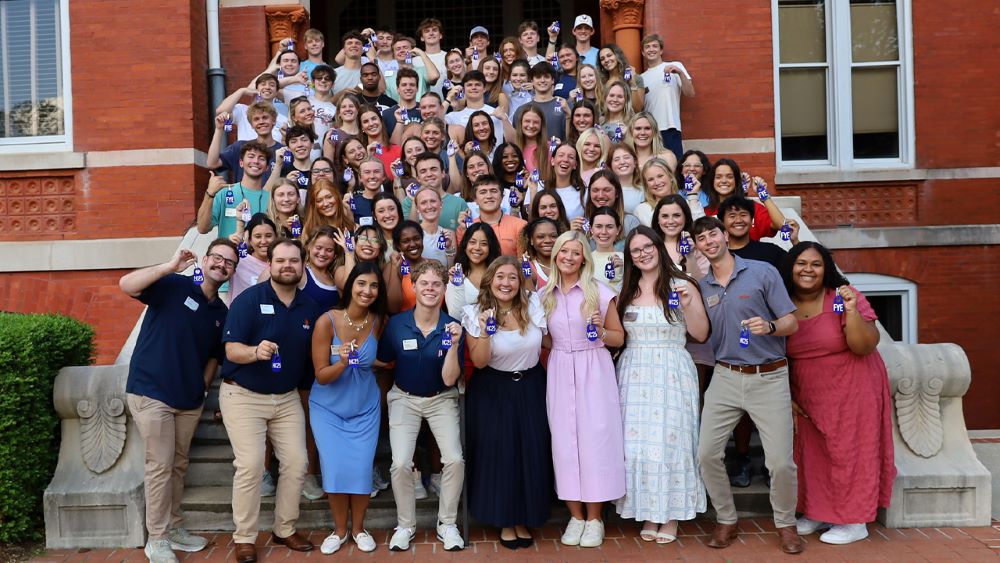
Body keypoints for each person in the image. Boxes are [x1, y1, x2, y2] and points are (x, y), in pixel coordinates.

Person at [691, 216, 803, 555]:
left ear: (725, 235)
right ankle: (727, 519)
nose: (708, 241)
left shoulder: (762, 272)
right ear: (696, 246)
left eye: (713, 233)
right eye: (701, 238)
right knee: (707, 454)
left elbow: (791, 322)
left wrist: (769, 327)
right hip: (725, 376)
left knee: (781, 462)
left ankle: (786, 524)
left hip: (768, 376)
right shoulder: (703, 284)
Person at [120, 242, 237, 563]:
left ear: (232, 272)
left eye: (230, 262)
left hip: (188, 399)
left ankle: (172, 528)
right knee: (159, 465)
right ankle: (156, 539)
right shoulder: (174, 285)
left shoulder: (221, 313)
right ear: (207, 258)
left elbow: (215, 355)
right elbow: (126, 285)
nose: (222, 264)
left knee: (178, 464)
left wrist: (202, 386)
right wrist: (169, 266)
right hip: (151, 391)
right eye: (217, 257)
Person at [780, 242, 895, 545]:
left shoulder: (842, 297)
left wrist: (854, 311)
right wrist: (788, 394)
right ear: (790, 267)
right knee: (812, 453)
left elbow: (865, 345)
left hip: (852, 384)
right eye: (801, 263)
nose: (808, 270)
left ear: (826, 269)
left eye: (816, 264)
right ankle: (819, 511)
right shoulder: (782, 302)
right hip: (808, 390)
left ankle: (853, 520)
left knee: (849, 452)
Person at [220, 239, 322, 562]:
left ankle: (284, 528)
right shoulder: (249, 301)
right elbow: (230, 350)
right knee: (250, 465)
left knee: (296, 462)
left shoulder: (309, 307)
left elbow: (313, 353)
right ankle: (245, 537)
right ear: (270, 264)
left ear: (303, 266)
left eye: (294, 260)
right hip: (243, 394)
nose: (287, 266)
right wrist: (255, 352)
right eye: (280, 260)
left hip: (287, 397)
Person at [614, 226, 709, 543]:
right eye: (635, 250)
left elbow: (700, 333)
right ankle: (646, 509)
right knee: (637, 446)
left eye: (647, 247)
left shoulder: (682, 285)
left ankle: (669, 515)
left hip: (671, 370)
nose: (643, 254)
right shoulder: (627, 289)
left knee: (671, 442)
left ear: (658, 246)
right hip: (634, 371)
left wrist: (688, 305)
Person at [540, 231, 626, 548]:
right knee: (564, 441)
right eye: (564, 251)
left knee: (595, 441)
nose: (569, 257)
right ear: (556, 254)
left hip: (594, 368)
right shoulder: (543, 296)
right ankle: (575, 515)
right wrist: (562, 349)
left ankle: (594, 518)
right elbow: (543, 337)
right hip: (561, 368)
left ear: (584, 259)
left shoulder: (599, 293)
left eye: (576, 253)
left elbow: (619, 337)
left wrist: (601, 330)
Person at [463, 256, 552, 549]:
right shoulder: (475, 311)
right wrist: (487, 330)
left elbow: (548, 341)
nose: (506, 283)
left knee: (531, 451)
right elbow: (479, 360)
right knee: (500, 454)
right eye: (500, 277)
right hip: (492, 389)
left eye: (512, 277)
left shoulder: (532, 304)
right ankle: (504, 519)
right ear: (490, 280)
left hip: (530, 385)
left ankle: (524, 517)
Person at [377, 261, 466, 551]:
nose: (430, 289)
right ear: (413, 286)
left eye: (436, 284)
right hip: (404, 397)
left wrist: (453, 344)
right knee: (401, 462)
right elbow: (384, 359)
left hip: (441, 397)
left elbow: (451, 378)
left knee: (453, 458)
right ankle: (405, 525)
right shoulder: (397, 324)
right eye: (424, 284)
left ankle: (447, 523)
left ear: (444, 288)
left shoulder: (452, 326)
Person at [310, 262, 388, 554]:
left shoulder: (378, 321)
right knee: (334, 469)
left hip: (365, 407)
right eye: (361, 284)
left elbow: (374, 360)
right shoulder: (326, 321)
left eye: (374, 286)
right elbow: (320, 375)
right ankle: (340, 530)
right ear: (350, 286)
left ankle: (359, 529)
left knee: (360, 469)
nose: (367, 291)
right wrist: (341, 362)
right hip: (328, 409)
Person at [197, 142, 271, 241]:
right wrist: (209, 194)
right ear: (241, 163)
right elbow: (202, 228)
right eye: (251, 156)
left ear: (267, 167)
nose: (256, 161)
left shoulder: (272, 198)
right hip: (228, 255)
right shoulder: (224, 193)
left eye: (261, 158)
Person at [639, 34, 694, 160]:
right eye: (647, 47)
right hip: (650, 131)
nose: (651, 49)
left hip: (671, 126)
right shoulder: (641, 78)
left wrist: (680, 73)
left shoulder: (675, 66)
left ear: (661, 50)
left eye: (655, 46)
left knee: (675, 168)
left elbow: (690, 93)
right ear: (643, 52)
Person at [705, 158, 785, 242]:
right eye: (718, 177)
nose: (724, 181)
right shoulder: (705, 212)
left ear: (736, 181)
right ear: (712, 181)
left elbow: (782, 225)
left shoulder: (753, 208)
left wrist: (764, 196)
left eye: (729, 177)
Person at [209, 103, 282, 185]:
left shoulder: (284, 152)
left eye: (265, 118)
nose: (261, 122)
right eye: (256, 119)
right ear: (251, 125)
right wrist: (219, 129)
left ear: (274, 121)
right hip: (243, 197)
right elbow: (212, 163)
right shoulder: (240, 147)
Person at [456, 175, 527, 256]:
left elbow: (523, 261)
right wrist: (465, 231)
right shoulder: (465, 228)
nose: (489, 196)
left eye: (493, 191)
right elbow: (463, 260)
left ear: (502, 197)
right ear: (475, 199)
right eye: (483, 192)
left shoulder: (520, 226)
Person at [445, 223, 502, 317]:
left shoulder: (498, 274)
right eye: (472, 242)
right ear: (465, 245)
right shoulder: (456, 275)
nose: (477, 248)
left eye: (484, 244)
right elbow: (455, 316)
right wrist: (457, 286)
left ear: (491, 247)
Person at [721, 195, 790, 269]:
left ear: (752, 221)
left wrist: (795, 240)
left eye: (743, 215)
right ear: (722, 222)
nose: (738, 220)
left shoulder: (770, 251)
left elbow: (795, 267)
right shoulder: (716, 255)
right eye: (732, 216)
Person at [215, 73, 288, 142]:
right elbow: (221, 111)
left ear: (276, 92)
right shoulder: (242, 110)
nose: (267, 87)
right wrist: (242, 91)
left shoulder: (284, 120)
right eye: (263, 84)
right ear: (256, 89)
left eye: (272, 85)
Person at [513, 63, 568, 141]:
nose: (542, 80)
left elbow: (571, 137)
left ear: (553, 80)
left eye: (546, 77)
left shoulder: (564, 106)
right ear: (532, 81)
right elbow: (516, 139)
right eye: (538, 77)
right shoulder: (521, 110)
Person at [229, 213, 276, 300]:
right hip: (240, 312)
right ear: (249, 240)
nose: (263, 241)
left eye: (268, 236)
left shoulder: (281, 263)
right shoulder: (238, 260)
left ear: (276, 237)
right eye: (257, 236)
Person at [587, 207, 624, 293]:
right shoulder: (585, 260)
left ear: (618, 230)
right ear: (591, 229)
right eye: (598, 226)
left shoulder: (626, 259)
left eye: (609, 227)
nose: (604, 232)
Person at [598, 44, 644, 112]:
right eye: (602, 59)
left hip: (630, 121)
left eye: (609, 55)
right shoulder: (601, 83)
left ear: (617, 56)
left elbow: (638, 109)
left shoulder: (636, 78)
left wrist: (632, 83)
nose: (606, 60)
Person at [634, 157, 677, 226]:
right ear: (646, 185)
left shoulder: (687, 203)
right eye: (650, 179)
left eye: (660, 176)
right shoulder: (641, 210)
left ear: (671, 176)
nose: (656, 182)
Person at [519, 217, 560, 289]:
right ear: (531, 240)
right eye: (541, 237)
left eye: (553, 236)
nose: (548, 240)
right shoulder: (527, 267)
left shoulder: (567, 264)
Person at [608, 144, 644, 214]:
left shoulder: (645, 189)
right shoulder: (607, 191)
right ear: (610, 166)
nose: (622, 162)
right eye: (616, 159)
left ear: (635, 162)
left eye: (626, 157)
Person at [417, 18, 448, 97]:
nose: (431, 33)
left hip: (448, 104)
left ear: (440, 35)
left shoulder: (449, 57)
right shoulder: (414, 60)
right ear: (422, 38)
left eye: (434, 30)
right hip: (424, 106)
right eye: (427, 31)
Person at [332, 31, 365, 95]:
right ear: (344, 49)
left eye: (357, 43)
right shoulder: (333, 74)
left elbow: (381, 89)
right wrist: (341, 94)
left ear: (362, 49)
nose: (353, 45)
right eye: (349, 43)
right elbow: (327, 101)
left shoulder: (369, 74)